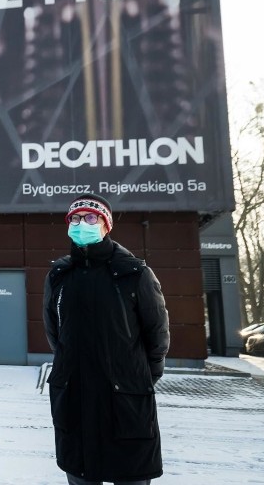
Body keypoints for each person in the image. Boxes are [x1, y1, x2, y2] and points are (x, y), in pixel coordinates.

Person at [43, 193, 170, 485]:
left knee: (131, 475)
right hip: (75, 398)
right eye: (75, 219)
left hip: (126, 404)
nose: (81, 224)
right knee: (81, 474)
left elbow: (157, 336)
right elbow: (55, 334)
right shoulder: (59, 275)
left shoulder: (135, 273)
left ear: (105, 225)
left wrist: (137, 378)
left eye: (90, 218)